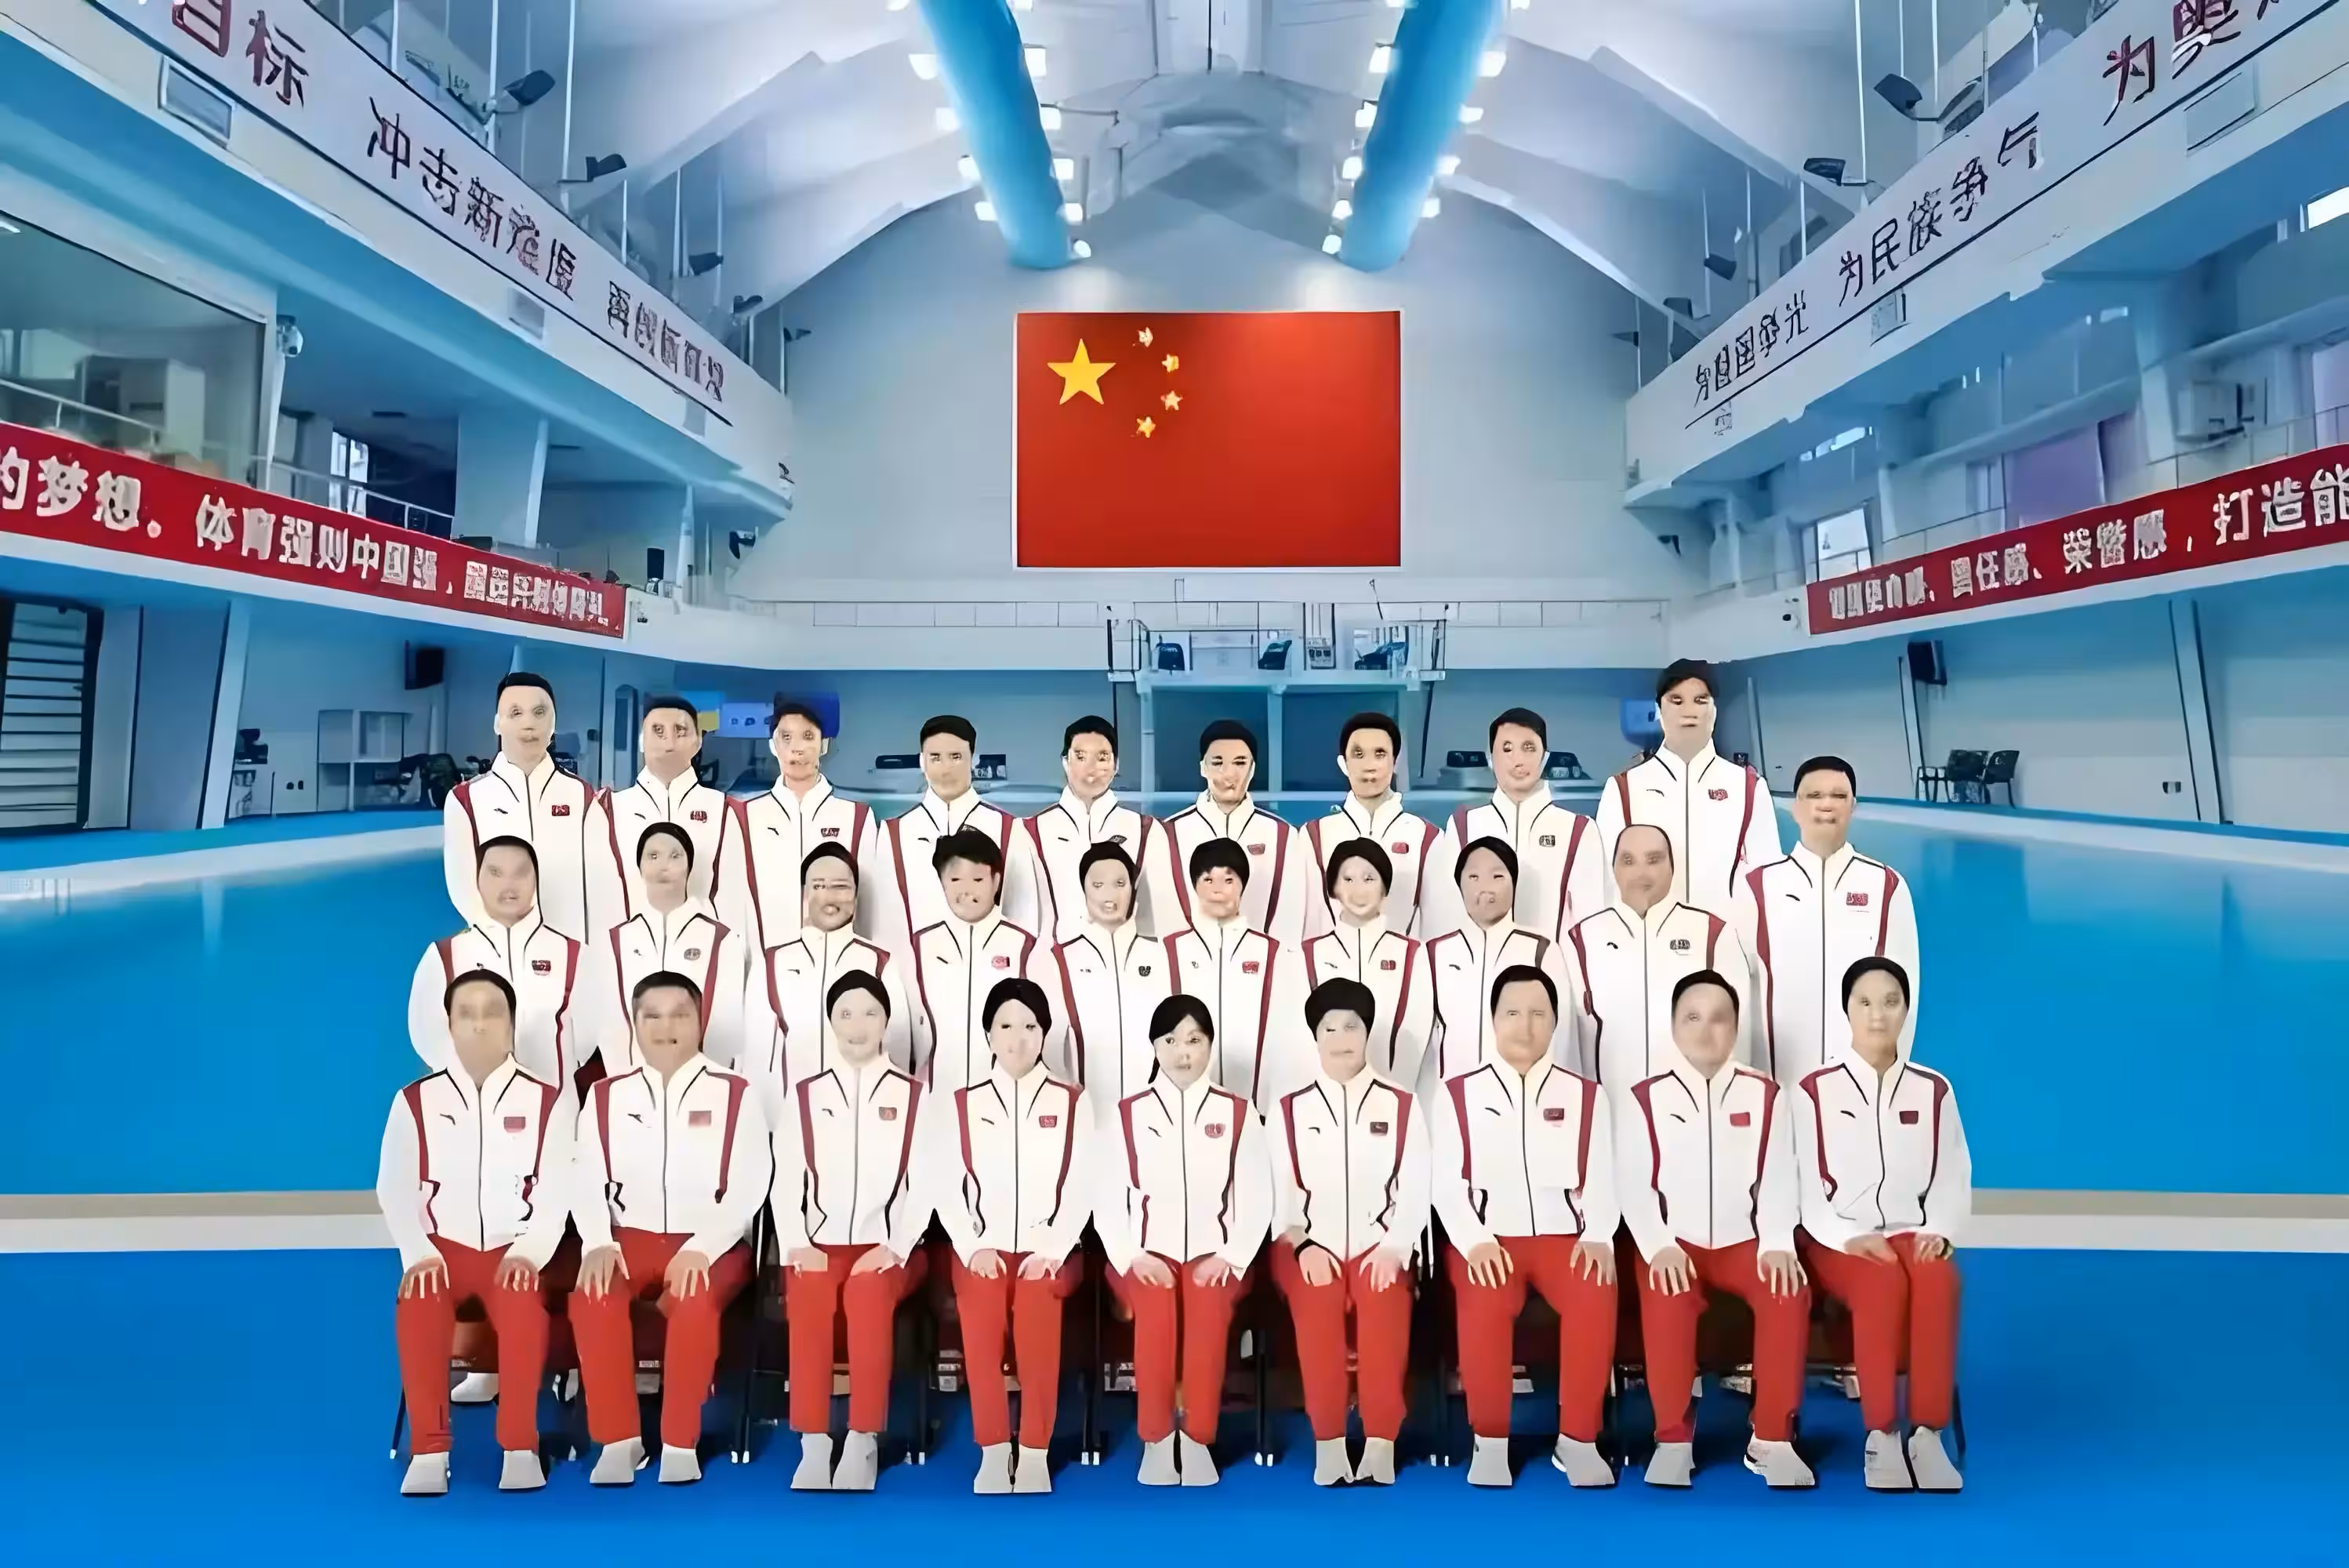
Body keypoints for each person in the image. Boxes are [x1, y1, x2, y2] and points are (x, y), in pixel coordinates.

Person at [569, 973, 768, 1487]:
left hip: (711, 1242)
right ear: (634, 1024)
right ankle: (619, 1439)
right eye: (652, 1016)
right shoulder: (606, 1096)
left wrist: (704, 1247)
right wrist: (597, 1242)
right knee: (593, 1296)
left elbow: (752, 1180)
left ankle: (681, 1439)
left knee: (694, 1296)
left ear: (700, 1021)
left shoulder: (735, 1093)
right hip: (627, 1237)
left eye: (680, 1014)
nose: (666, 1027)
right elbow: (584, 1176)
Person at [378, 971, 572, 1497]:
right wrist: (417, 1252)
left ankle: (520, 1446)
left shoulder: (548, 1101)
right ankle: (429, 1449)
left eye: (493, 1012)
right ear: (450, 1025)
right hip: (441, 1250)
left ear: (511, 1024)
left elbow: (558, 1191)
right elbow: (393, 1186)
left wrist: (530, 1252)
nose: (480, 1024)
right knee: (419, 1305)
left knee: (524, 1309)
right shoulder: (414, 1101)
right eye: (467, 1013)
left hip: (512, 1249)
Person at [1617, 971, 1813, 1490]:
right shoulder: (1645, 1098)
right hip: (1673, 1240)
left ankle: (1772, 1437)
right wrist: (1658, 1246)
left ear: (1736, 1028)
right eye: (1693, 1018)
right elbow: (1633, 1185)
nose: (1706, 1030)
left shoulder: (1766, 1095)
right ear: (1674, 1026)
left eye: (1720, 1019)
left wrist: (1777, 1242)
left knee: (1788, 1291)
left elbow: (1779, 1176)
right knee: (1667, 1294)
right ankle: (1673, 1438)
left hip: (1744, 1240)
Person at [1431, 966, 1618, 1490]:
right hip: (1488, 1238)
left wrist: (1599, 1233)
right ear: (1493, 1020)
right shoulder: (1457, 1094)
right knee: (1485, 1297)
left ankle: (1578, 1439)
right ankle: (1490, 1440)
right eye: (1512, 1012)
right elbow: (1445, 1185)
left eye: (1538, 1013)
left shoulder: (1587, 1095)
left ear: (1555, 1022)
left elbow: (1603, 1176)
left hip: (1565, 1237)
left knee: (1595, 1287)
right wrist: (1474, 1240)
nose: (1525, 1025)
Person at [1793, 957, 1966, 1492]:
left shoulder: (1933, 1089)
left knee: (1938, 1278)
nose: (1877, 1015)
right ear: (1846, 1010)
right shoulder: (1814, 1090)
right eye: (1865, 1002)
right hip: (1838, 1236)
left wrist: (1940, 1229)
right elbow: (1802, 1186)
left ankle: (1928, 1435)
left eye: (1891, 1002)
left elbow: (1952, 1172)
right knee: (1881, 1280)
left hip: (1911, 1230)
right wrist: (1847, 1237)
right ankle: (1882, 1433)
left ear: (1906, 1011)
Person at [915, 978, 1093, 1495]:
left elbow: (1084, 1183)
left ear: (1045, 1033)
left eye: (1030, 1026)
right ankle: (993, 1448)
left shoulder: (1073, 1102)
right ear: (989, 1034)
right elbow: (944, 1183)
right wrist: (972, 1244)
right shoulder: (962, 1103)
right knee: (982, 1319)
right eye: (1006, 1026)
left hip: (1052, 1251)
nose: (1018, 1038)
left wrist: (1054, 1247)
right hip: (982, 1247)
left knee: (1038, 1315)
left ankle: (1034, 1450)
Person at [1095, 996, 1274, 1487]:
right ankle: (1156, 1440)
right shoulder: (1127, 1114)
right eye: (1171, 1040)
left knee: (1207, 1313)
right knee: (1155, 1312)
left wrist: (1231, 1256)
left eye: (1195, 1040)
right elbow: (1105, 1198)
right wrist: (1132, 1256)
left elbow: (1258, 1195)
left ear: (1210, 1046)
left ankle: (1198, 1439)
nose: (1183, 1052)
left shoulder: (1238, 1113)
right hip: (1143, 1254)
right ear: (1155, 1047)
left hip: (1217, 1256)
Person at [772, 972, 931, 1493]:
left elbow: (925, 1184)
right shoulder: (805, 1096)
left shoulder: (915, 1097)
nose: (857, 1025)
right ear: (831, 1023)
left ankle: (863, 1437)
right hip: (819, 1245)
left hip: (889, 1248)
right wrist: (797, 1243)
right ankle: (814, 1441)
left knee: (866, 1293)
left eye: (869, 1013)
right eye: (845, 1014)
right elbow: (785, 1181)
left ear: (886, 1021)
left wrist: (896, 1246)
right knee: (808, 1290)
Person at [1265, 979, 1429, 1488]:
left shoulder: (1401, 1104)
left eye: (1352, 1027)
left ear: (1368, 1032)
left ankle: (1380, 1441)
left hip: (1381, 1245)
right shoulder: (1289, 1109)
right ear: (1315, 1037)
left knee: (1384, 1300)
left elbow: (1417, 1186)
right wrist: (1303, 1244)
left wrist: (1395, 1246)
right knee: (1318, 1301)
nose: (1341, 1038)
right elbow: (1279, 1197)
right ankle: (1330, 1441)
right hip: (1305, 1245)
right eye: (1329, 1028)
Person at [1736, 757, 1921, 1087]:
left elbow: (1905, 992)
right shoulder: (1756, 887)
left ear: (1853, 807)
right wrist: (1745, 1081)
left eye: (1839, 796)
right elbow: (1738, 989)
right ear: (1795, 808)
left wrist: (1890, 1078)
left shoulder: (1886, 886)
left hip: (1860, 1088)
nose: (1826, 805)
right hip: (1778, 1087)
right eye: (1814, 796)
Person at [1564, 826, 1754, 1096]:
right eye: (1628, 861)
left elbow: (1738, 1034)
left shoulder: (1712, 934)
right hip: (1609, 1110)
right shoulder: (1581, 940)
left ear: (1672, 868)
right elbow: (1569, 1042)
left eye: (1653, 860)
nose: (1641, 872)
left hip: (1694, 1109)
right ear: (1614, 870)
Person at [1596, 661, 1779, 916]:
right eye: (1677, 700)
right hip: (1648, 934)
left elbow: (1768, 881)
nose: (1689, 711)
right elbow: (1606, 883)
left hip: (1728, 935)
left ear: (1714, 711)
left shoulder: (1749, 788)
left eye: (1700, 700)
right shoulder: (1623, 789)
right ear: (1659, 710)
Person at [749, 843, 911, 1123]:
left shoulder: (880, 962)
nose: (830, 896)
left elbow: (898, 1047)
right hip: (793, 1121)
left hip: (863, 1122)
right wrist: (772, 1122)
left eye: (841, 887)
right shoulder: (772, 961)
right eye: (819, 886)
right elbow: (757, 1053)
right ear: (804, 894)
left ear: (856, 896)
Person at [408, 837, 586, 1088]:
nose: (508, 884)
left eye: (520, 873)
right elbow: (428, 1038)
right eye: (496, 873)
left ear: (537, 879)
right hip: (473, 1105)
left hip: (558, 1105)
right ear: (477, 880)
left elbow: (591, 1040)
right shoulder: (444, 956)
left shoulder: (574, 954)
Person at [582, 824, 749, 1078]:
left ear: (689, 866)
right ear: (640, 867)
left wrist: (703, 1078)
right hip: (630, 1084)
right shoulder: (613, 941)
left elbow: (727, 1022)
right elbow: (607, 1021)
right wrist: (626, 1077)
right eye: (653, 856)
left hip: (702, 1083)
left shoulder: (722, 940)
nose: (663, 865)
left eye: (675, 856)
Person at [721, 700, 882, 953]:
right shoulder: (744, 815)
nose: (797, 748)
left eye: (808, 736)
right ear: (773, 746)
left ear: (824, 744)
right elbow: (731, 902)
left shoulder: (857, 817)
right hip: (764, 967)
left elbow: (870, 907)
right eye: (786, 737)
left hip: (839, 966)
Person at [873, 715, 1042, 957]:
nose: (946, 768)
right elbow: (884, 923)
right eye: (935, 757)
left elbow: (1023, 916)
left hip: (993, 969)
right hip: (915, 971)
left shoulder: (1007, 828)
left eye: (956, 757)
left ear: (973, 759)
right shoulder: (894, 833)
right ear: (922, 761)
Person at [443, 673, 596, 938]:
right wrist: (501, 942)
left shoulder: (581, 795)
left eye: (539, 712)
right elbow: (463, 888)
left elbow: (599, 880)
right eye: (516, 713)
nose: (529, 724)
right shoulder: (466, 799)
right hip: (500, 948)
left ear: (554, 723)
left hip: (572, 948)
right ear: (497, 724)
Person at [1160, 839, 1312, 1105]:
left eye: (1228, 880)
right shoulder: (1168, 950)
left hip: (1258, 1107)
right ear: (1194, 886)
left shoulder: (1274, 953)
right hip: (1182, 1106)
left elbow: (1292, 1035)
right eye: (1208, 880)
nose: (1218, 890)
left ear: (1243, 885)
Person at [1441, 708, 1602, 944]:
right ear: (1490, 758)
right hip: (1480, 965)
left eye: (1529, 748)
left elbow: (1593, 925)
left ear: (1545, 757)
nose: (1518, 761)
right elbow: (1448, 914)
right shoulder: (1464, 826)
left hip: (1554, 965)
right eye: (1507, 749)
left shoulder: (1578, 830)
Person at [1421, 837, 1571, 1087]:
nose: (1485, 888)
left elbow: (1562, 1035)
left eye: (1497, 876)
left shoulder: (1541, 950)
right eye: (1474, 877)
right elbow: (1424, 1039)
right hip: (1450, 1096)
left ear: (1514, 883)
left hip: (1524, 1094)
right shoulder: (1434, 953)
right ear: (1459, 885)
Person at [586, 696, 735, 938]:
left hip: (704, 947)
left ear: (698, 742)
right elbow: (594, 895)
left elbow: (736, 901)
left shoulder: (726, 810)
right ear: (642, 740)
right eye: (658, 730)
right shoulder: (607, 809)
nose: (669, 740)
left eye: (680, 730)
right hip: (626, 947)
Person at [908, 829, 1042, 1095]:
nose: (966, 890)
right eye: (955, 879)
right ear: (942, 883)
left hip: (1006, 1097)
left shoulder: (1025, 945)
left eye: (978, 879)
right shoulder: (919, 946)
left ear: (996, 881)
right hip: (936, 1096)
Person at [1302, 713, 1458, 938]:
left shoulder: (1428, 837)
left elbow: (1440, 927)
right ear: (1343, 764)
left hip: (1406, 960)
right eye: (1359, 754)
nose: (1369, 766)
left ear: (1396, 761)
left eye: (1380, 754)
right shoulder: (1313, 836)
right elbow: (1306, 924)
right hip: (1330, 960)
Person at [1046, 842, 1172, 1115]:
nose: (1109, 894)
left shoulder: (1165, 954)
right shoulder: (1059, 960)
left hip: (1155, 1115)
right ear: (1084, 890)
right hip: (1086, 1114)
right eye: (1098, 885)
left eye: (1119, 883)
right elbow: (1050, 1047)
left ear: (1133, 889)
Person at [1154, 720, 1307, 945]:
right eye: (1218, 763)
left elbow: (1291, 918)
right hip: (1187, 961)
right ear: (1202, 768)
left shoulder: (1282, 835)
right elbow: (1161, 913)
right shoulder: (1167, 833)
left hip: (1264, 961)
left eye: (1240, 763)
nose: (1229, 774)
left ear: (1253, 768)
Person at [1299, 840, 1432, 1090]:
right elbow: (1301, 1033)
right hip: (1326, 1094)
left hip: (1394, 1093)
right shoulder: (1308, 953)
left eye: (1369, 879)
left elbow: (1418, 1028)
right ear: (1333, 888)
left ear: (1384, 887)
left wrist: (1396, 1092)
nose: (1358, 890)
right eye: (1348, 879)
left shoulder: (1413, 953)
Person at [1024, 717, 1173, 940]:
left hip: (1124, 958)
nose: (1091, 769)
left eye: (1102, 758)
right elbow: (1020, 920)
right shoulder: (1031, 831)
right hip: (1052, 958)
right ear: (1065, 761)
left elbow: (1159, 920)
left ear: (1116, 764)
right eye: (1080, 757)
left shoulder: (1147, 831)